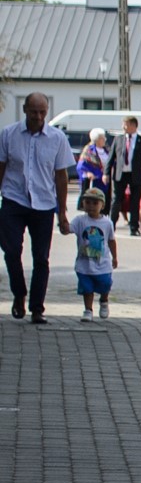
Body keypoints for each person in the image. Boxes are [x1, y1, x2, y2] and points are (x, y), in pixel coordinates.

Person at [0, 93, 77, 323]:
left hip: (44, 204)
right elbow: (1, 167)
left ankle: (37, 308)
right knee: (11, 250)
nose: (38, 116)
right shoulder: (8, 135)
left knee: (41, 258)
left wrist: (62, 212)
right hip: (14, 199)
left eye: (42, 112)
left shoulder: (57, 138)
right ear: (25, 110)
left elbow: (61, 176)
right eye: (34, 112)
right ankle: (19, 293)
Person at [70, 188, 116, 321]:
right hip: (84, 264)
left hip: (102, 264)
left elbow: (111, 241)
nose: (91, 206)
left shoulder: (107, 223)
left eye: (95, 203)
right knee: (87, 288)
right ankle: (88, 310)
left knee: (105, 284)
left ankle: (104, 300)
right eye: (87, 202)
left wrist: (115, 257)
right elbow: (69, 229)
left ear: (102, 205)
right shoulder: (80, 220)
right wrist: (62, 222)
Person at [107, 116, 141, 236]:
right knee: (116, 200)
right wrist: (106, 173)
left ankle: (134, 227)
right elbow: (111, 158)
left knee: (134, 202)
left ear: (133, 126)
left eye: (126, 124)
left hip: (135, 174)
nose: (123, 127)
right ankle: (111, 226)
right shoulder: (118, 139)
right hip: (120, 174)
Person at [77, 129, 111, 210]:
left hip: (106, 179)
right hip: (95, 180)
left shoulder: (107, 149)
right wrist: (88, 172)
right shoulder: (89, 150)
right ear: (97, 140)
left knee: (106, 201)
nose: (105, 140)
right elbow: (81, 165)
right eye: (103, 138)